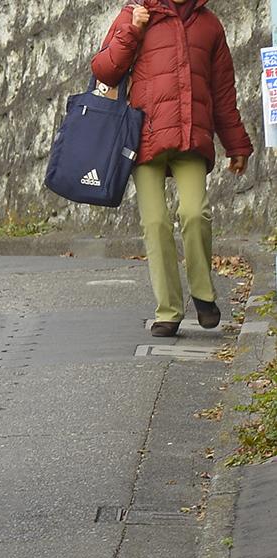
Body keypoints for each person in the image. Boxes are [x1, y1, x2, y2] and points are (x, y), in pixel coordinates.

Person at [91, 0, 252, 338]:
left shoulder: (210, 26)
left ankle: (203, 295)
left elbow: (222, 94)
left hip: (190, 136)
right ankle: (169, 310)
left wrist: (236, 144)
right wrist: (132, 31)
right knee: (156, 223)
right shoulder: (135, 13)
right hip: (144, 138)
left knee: (195, 213)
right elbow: (104, 70)